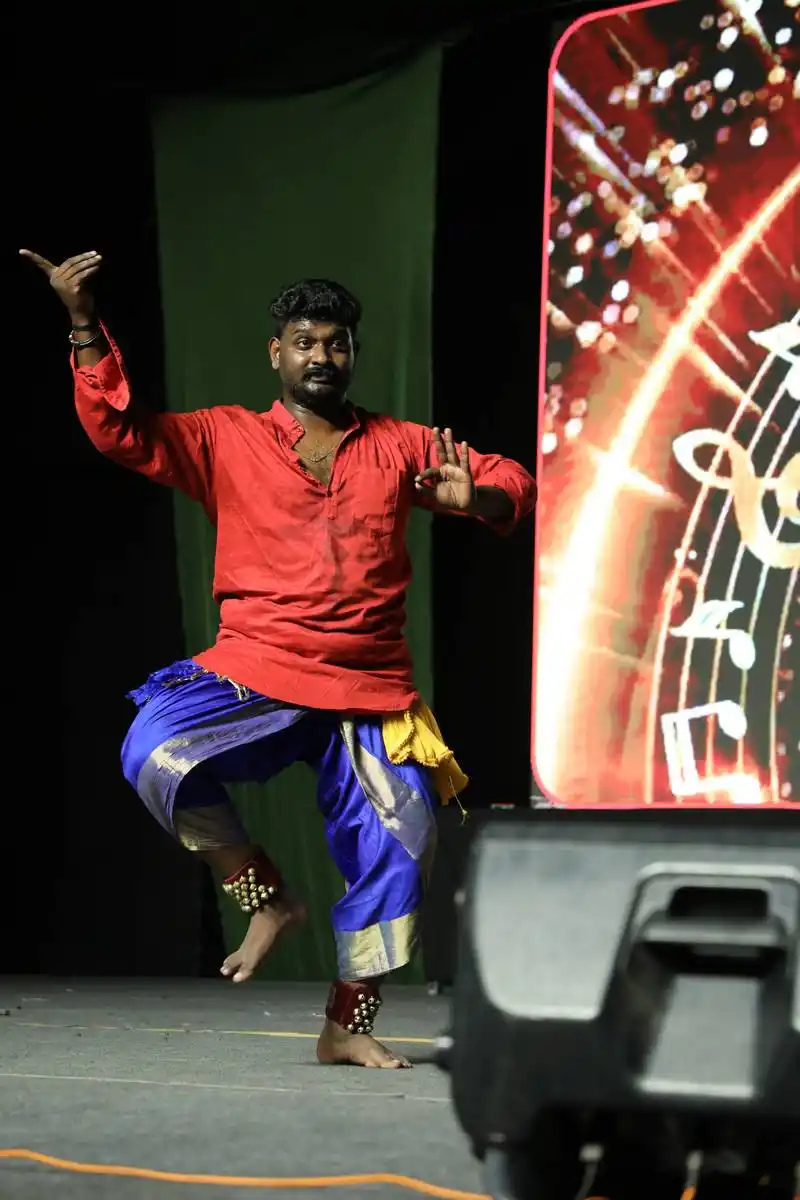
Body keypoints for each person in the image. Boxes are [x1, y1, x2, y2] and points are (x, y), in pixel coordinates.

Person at [21, 248, 537, 1068]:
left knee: (404, 842)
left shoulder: (401, 445)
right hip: (257, 671)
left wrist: (479, 497)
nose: (321, 356)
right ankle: (263, 894)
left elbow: (514, 480)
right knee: (153, 750)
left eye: (336, 343)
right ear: (277, 353)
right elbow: (121, 432)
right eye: (305, 342)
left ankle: (347, 1025)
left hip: (368, 688)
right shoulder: (225, 436)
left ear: (353, 354)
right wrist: (83, 323)